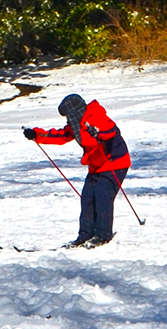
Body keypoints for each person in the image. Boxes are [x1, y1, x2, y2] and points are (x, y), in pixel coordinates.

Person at [24, 91, 132, 247]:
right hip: (96, 165)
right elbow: (60, 135)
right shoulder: (76, 126)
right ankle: (85, 235)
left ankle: (103, 235)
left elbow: (111, 131)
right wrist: (36, 134)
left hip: (115, 163)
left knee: (103, 196)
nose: (68, 119)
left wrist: (98, 132)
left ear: (75, 112)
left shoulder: (96, 116)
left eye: (68, 115)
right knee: (87, 198)